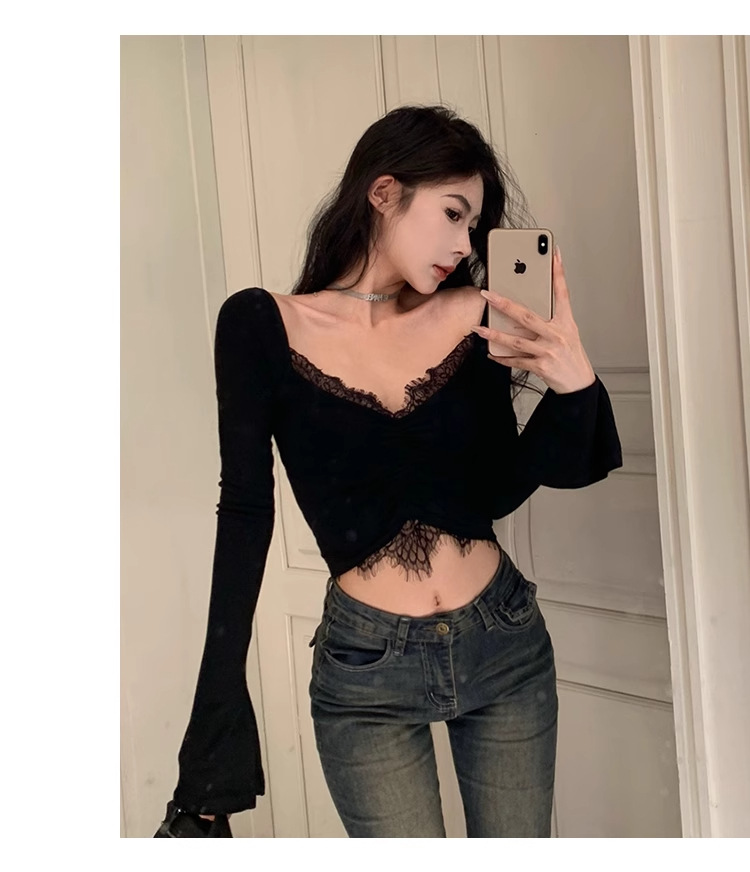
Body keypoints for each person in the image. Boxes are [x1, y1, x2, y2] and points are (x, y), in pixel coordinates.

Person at [154, 104, 622, 838]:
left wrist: (575, 387)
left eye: (475, 225)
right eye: (454, 213)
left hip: (503, 644)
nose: (464, 243)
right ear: (383, 192)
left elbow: (500, 488)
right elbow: (245, 510)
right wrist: (210, 742)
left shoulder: (474, 314)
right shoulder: (260, 324)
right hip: (366, 671)